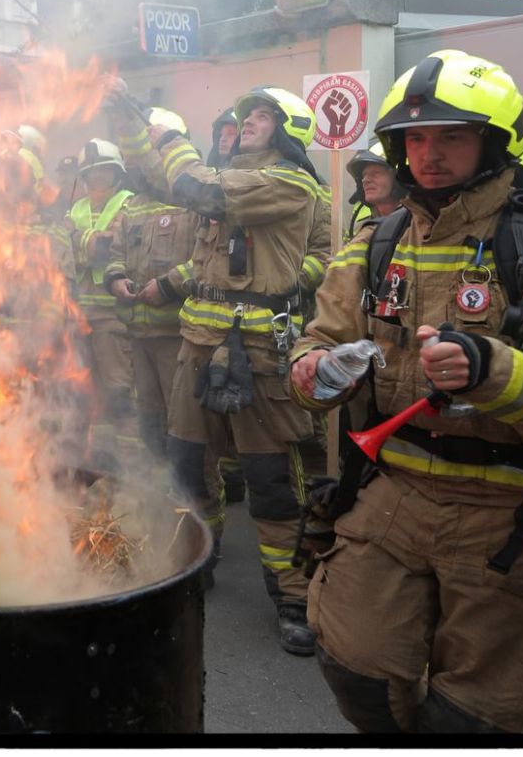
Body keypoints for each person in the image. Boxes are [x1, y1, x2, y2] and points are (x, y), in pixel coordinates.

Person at [289, 50, 523, 733]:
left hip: (512, 512)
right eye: (415, 138)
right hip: (391, 495)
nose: (430, 154)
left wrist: (492, 368)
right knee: (354, 664)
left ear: (494, 140)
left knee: (485, 718)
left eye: (451, 135)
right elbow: (317, 339)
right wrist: (313, 372)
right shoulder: (375, 242)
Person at [106, 81, 328, 655]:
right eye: (244, 114)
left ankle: (293, 597)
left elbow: (201, 189)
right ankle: (193, 563)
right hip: (196, 346)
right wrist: (128, 120)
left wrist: (173, 137)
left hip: (256, 355)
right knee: (188, 466)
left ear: (286, 130)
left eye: (259, 116)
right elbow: (159, 180)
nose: (245, 122)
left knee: (270, 482)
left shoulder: (287, 182)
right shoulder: (227, 181)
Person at [107, 108, 197, 460]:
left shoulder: (194, 203)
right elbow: (117, 252)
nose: (135, 164)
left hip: (178, 334)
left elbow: (206, 262)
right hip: (138, 332)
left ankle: (188, 491)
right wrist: (116, 279)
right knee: (148, 414)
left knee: (184, 419)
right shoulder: (133, 206)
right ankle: (155, 485)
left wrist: (168, 286)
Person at [63, 139, 135, 447]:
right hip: (82, 317)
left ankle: (132, 459)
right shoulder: (76, 207)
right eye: (92, 174)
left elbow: (112, 249)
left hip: (113, 318)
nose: (98, 179)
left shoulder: (127, 203)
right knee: (88, 390)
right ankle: (103, 457)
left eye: (104, 172)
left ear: (116, 172)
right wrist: (91, 244)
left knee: (119, 388)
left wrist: (82, 242)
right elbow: (62, 250)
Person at [345, 142, 404, 238]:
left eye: (375, 173)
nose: (365, 180)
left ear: (397, 178)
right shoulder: (360, 226)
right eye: (364, 175)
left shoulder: (416, 225)